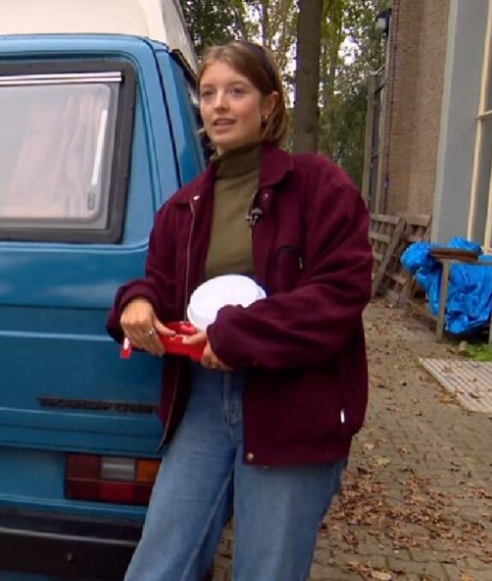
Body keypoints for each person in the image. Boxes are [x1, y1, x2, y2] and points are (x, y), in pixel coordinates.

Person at [106, 40, 372, 581]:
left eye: (236, 91)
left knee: (266, 569)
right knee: (159, 563)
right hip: (205, 400)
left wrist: (235, 336)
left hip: (293, 403)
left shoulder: (318, 187)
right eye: (208, 94)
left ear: (269, 105)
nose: (219, 105)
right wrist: (136, 302)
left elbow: (339, 293)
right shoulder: (183, 206)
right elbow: (161, 284)